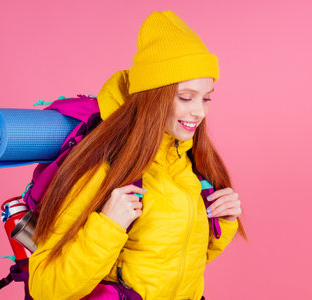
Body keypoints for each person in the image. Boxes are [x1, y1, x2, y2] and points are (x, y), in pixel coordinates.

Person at [29, 10, 244, 300]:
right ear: (154, 97)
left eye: (206, 98)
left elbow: (174, 264)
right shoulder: (105, 167)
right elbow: (45, 289)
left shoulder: (190, 167)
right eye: (186, 97)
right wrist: (109, 225)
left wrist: (225, 222)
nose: (200, 112)